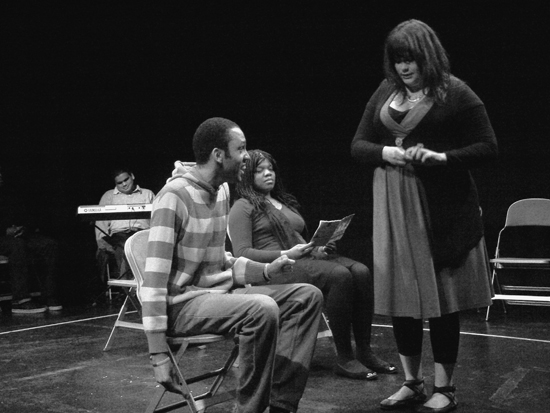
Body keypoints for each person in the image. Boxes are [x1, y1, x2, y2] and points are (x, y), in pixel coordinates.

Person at [351, 19, 498, 413]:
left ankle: (444, 388)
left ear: (427, 56)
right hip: (393, 209)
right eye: (397, 60)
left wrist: (442, 158)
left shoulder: (456, 93)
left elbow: (488, 147)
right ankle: (411, 382)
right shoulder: (387, 91)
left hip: (440, 211)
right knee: (403, 298)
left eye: (410, 58)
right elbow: (358, 144)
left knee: (441, 299)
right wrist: (386, 153)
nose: (403, 67)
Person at [141, 117, 323, 413]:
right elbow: (153, 281)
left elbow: (221, 261)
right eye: (241, 149)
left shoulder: (221, 191)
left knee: (306, 296)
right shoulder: (173, 198)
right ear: (218, 155)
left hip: (216, 297)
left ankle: (280, 405)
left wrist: (265, 271)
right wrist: (158, 354)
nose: (247, 157)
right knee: (261, 308)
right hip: (181, 305)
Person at [229, 149, 396, 380]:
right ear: (247, 175)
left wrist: (317, 246)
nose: (268, 174)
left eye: (271, 169)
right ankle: (345, 358)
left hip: (302, 258)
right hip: (279, 267)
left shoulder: (282, 201)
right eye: (260, 170)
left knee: (361, 271)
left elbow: (297, 238)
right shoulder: (242, 207)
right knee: (339, 275)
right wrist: (287, 252)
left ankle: (365, 352)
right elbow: (242, 253)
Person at [0, 165, 62, 314]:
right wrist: (5, 231)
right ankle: (20, 299)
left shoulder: (9, 195)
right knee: (17, 245)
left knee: (49, 244)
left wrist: (23, 228)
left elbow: (26, 216)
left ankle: (49, 295)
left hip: (18, 236)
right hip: (3, 238)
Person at [95, 168, 154, 281]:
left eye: (126, 180)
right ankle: (128, 286)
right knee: (123, 246)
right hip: (118, 236)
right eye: (119, 183)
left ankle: (140, 284)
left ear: (132, 176)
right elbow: (100, 223)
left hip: (143, 234)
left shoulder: (147, 194)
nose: (124, 184)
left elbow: (156, 219)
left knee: (140, 246)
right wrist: (103, 244)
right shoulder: (108, 196)